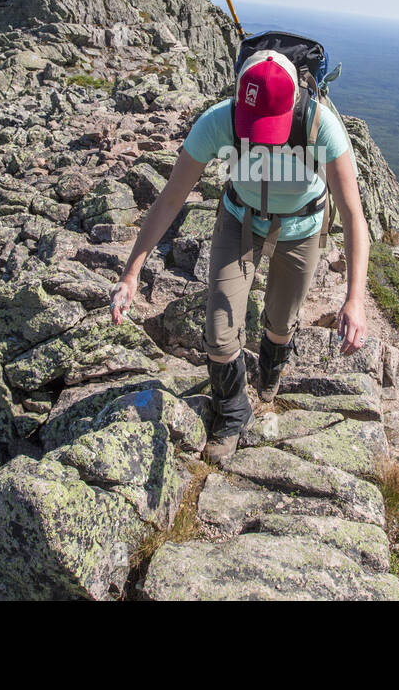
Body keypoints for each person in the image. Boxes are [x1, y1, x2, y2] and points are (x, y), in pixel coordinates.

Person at [111, 49, 369, 465]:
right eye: (254, 127)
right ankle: (233, 412)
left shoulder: (321, 125)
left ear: (294, 104)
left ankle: (270, 372)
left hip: (301, 228)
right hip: (240, 218)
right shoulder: (220, 120)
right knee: (218, 331)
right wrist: (131, 272)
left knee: (281, 320)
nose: (262, 138)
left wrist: (354, 300)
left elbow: (355, 216)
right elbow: (170, 199)